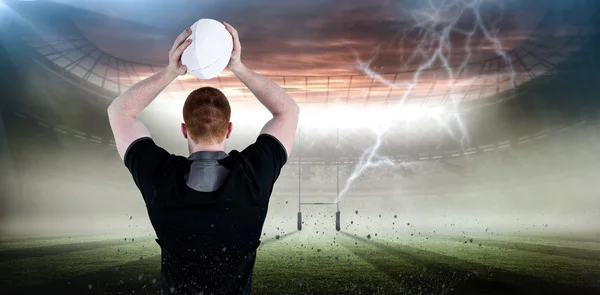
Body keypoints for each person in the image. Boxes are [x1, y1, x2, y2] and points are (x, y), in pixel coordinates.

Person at [107, 22, 300, 295]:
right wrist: (238, 67)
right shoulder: (253, 176)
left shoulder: (161, 178)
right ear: (229, 128)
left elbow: (119, 112)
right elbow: (288, 112)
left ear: (184, 129)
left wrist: (171, 71)